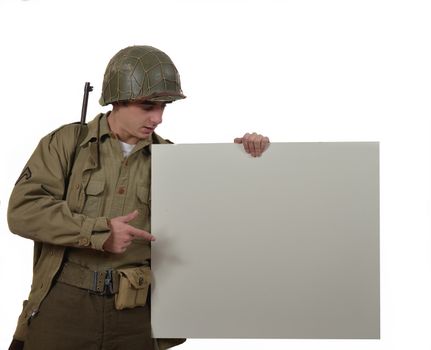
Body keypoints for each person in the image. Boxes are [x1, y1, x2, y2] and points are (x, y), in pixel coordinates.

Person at [7, 45, 270, 350]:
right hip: (65, 307)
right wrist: (98, 232)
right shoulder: (66, 143)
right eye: (147, 106)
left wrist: (247, 161)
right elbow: (24, 211)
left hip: (136, 316)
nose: (157, 118)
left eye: (164, 106)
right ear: (118, 99)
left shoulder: (174, 161)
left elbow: (223, 221)